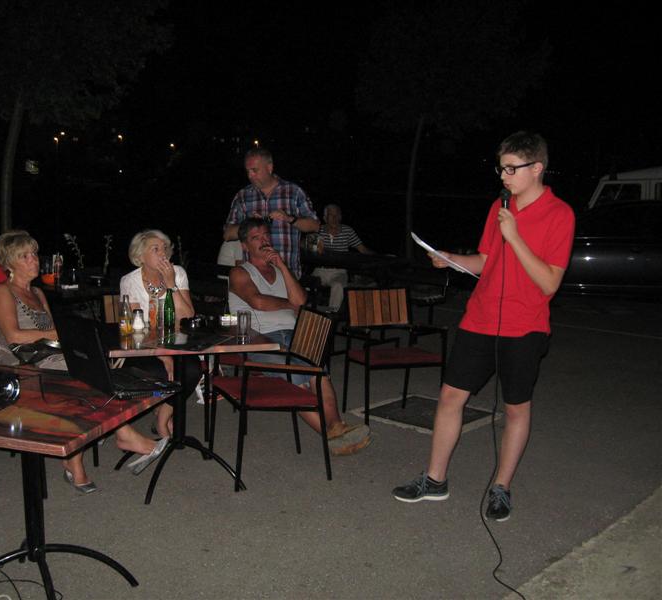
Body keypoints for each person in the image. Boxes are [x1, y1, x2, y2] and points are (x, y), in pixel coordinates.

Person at [392, 132, 575, 522]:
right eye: (501, 169)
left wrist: (516, 237)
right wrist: (453, 259)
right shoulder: (499, 207)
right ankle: (435, 480)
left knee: (515, 409)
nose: (503, 177)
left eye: (511, 169)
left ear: (536, 168)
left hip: (525, 327)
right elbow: (487, 260)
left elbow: (549, 282)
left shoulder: (560, 214)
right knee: (450, 397)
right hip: (480, 317)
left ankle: (501, 487)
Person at [0, 230, 168, 494]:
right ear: (9, 263)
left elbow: (52, 336)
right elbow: (13, 336)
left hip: (41, 357)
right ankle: (115, 438)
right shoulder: (3, 291)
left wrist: (72, 338)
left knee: (92, 365)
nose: (34, 260)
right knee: (85, 374)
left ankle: (83, 452)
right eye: (25, 256)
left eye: (34, 253)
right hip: (11, 364)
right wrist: (59, 333)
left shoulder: (37, 293)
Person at [228, 217, 372, 456]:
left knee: (317, 370)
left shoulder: (280, 270)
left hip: (294, 335)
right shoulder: (240, 272)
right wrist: (289, 305)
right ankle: (333, 437)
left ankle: (337, 428)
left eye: (266, 235)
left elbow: (301, 301)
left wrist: (282, 266)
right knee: (296, 376)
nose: (263, 241)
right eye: (256, 238)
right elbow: (258, 302)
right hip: (260, 339)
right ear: (245, 245)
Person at [120, 229, 202, 438]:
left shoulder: (177, 273)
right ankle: (160, 400)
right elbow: (136, 328)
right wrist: (162, 355)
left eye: (164, 248)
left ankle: (163, 417)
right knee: (159, 373)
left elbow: (187, 316)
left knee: (192, 371)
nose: (162, 253)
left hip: (176, 342)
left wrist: (171, 285)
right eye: (155, 249)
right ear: (140, 256)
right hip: (142, 346)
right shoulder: (129, 281)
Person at [223, 148, 319, 279]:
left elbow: (315, 225)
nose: (250, 176)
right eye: (248, 171)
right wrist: (248, 224)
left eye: (254, 170)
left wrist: (289, 218)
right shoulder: (242, 196)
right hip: (254, 277)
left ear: (269, 167)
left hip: (287, 275)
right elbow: (227, 234)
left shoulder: (293, 192)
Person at [312, 204, 374, 310]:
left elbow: (363, 249)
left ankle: (331, 313)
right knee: (307, 284)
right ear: (325, 218)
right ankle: (305, 310)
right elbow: (309, 249)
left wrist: (381, 257)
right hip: (320, 270)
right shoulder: (318, 230)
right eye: (331, 215)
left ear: (340, 217)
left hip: (339, 271)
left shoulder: (348, 231)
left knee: (338, 286)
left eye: (337, 215)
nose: (334, 218)